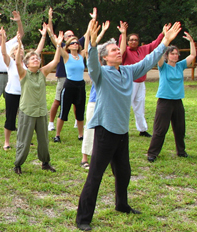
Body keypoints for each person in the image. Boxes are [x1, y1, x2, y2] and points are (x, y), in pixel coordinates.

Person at [76, 20, 181, 231]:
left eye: (118, 49)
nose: (117, 52)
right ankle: (83, 219)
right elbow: (92, 64)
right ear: (105, 57)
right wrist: (93, 44)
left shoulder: (128, 71)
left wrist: (164, 42)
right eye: (114, 50)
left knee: (124, 173)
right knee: (95, 175)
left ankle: (121, 205)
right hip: (105, 131)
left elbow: (149, 60)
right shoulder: (102, 74)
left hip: (122, 133)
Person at [13, 31, 63, 175]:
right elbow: (17, 62)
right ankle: (18, 164)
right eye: (32, 59)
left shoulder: (43, 72)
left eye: (37, 58)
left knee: (44, 140)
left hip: (41, 112)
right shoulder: (24, 73)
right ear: (27, 64)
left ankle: (45, 162)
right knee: (24, 140)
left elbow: (55, 61)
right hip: (27, 111)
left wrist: (58, 45)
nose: (36, 59)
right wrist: (19, 44)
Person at [80, 20, 128, 169]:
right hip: (95, 102)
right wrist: (90, 31)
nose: (117, 52)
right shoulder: (97, 67)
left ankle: (100, 159)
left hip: (106, 103)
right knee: (90, 130)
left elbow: (123, 50)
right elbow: (89, 51)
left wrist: (123, 34)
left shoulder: (113, 68)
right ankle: (84, 158)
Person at [146, 32, 196, 163]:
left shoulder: (180, 66)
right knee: (160, 129)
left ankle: (181, 151)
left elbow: (193, 55)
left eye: (176, 53)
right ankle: (152, 153)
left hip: (177, 101)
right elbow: (158, 54)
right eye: (172, 53)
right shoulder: (163, 66)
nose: (175, 55)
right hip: (164, 102)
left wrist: (191, 41)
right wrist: (166, 40)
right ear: (167, 55)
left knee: (180, 129)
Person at [119, 24, 171, 138]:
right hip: (129, 82)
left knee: (140, 106)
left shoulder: (143, 49)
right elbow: (121, 47)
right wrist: (123, 33)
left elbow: (155, 44)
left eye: (135, 40)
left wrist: (163, 33)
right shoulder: (125, 51)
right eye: (131, 40)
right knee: (126, 106)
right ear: (127, 42)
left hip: (141, 82)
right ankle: (122, 129)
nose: (133, 42)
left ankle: (142, 129)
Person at [1, 23, 47, 150]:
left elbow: (38, 50)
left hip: (27, 95)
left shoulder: (28, 63)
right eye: (17, 49)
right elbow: (4, 53)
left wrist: (43, 36)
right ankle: (7, 142)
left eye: (21, 49)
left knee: (26, 118)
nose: (20, 50)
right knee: (10, 117)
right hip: (12, 93)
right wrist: (4, 40)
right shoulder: (10, 63)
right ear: (13, 52)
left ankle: (26, 140)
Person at [47, 7, 90, 131]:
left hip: (78, 82)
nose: (74, 40)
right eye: (70, 37)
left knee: (78, 103)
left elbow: (87, 37)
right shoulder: (63, 49)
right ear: (65, 38)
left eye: (74, 38)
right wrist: (50, 19)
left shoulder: (78, 50)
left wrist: (92, 22)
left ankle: (78, 123)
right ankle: (51, 123)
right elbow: (53, 37)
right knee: (58, 101)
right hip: (63, 77)